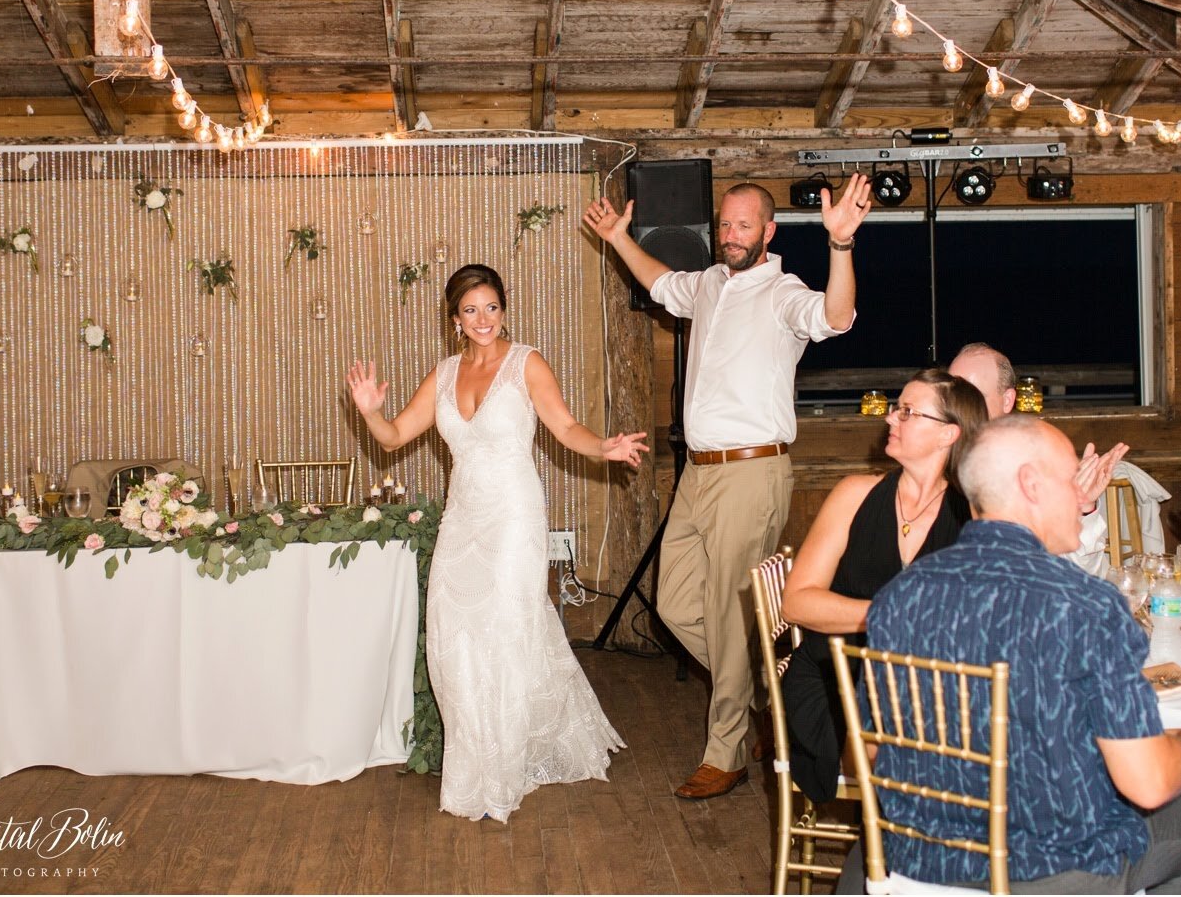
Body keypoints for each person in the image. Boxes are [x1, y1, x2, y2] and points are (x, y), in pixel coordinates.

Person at [582, 175, 868, 799]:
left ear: (768, 231)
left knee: (723, 610)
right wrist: (617, 239)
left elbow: (835, 316)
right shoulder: (709, 284)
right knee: (675, 604)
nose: (731, 236)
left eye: (744, 226)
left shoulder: (783, 292)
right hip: (697, 473)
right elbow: (659, 282)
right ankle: (778, 693)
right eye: (725, 225)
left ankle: (727, 750)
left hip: (751, 471)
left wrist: (840, 246)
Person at [846, 414, 1181, 893]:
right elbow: (1147, 784)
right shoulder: (1087, 605)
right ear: (1031, 484)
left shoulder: (900, 595)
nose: (1081, 496)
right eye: (1070, 481)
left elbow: (870, 754)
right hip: (1046, 872)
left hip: (912, 864)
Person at [344, 264, 648, 822]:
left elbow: (565, 428)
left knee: (506, 631)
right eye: (469, 310)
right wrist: (369, 412)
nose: (482, 320)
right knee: (453, 636)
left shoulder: (526, 363)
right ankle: (474, 761)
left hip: (513, 519)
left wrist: (604, 446)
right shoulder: (441, 374)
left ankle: (503, 769)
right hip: (463, 520)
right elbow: (392, 439)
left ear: (503, 309)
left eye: (491, 308)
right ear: (454, 318)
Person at [779, 369, 985, 803]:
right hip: (836, 683)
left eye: (908, 412)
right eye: (897, 409)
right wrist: (882, 615)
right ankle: (916, 852)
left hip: (933, 690)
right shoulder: (855, 494)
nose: (891, 419)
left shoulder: (973, 515)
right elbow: (795, 602)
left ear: (949, 434)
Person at [948, 342, 1131, 575]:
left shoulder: (1038, 468)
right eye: (951, 395)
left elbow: (1083, 573)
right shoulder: (935, 466)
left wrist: (1083, 508)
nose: (957, 407)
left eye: (971, 396)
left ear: (1007, 400)